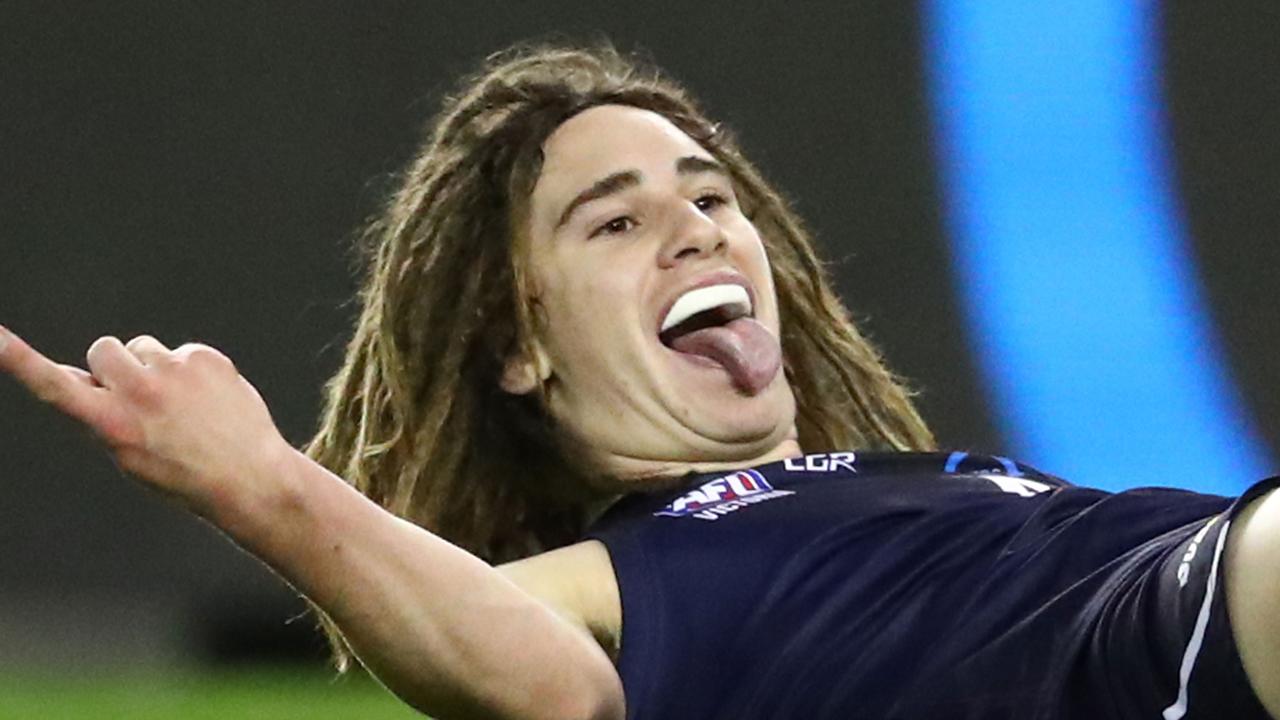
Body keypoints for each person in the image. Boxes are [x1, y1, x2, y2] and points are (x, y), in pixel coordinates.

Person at [2, 42, 1279, 720]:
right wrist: (262, 486)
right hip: (1162, 647)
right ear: (522, 345)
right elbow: (544, 691)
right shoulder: (608, 577)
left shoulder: (937, 481)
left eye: (711, 196)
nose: (699, 230)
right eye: (613, 223)